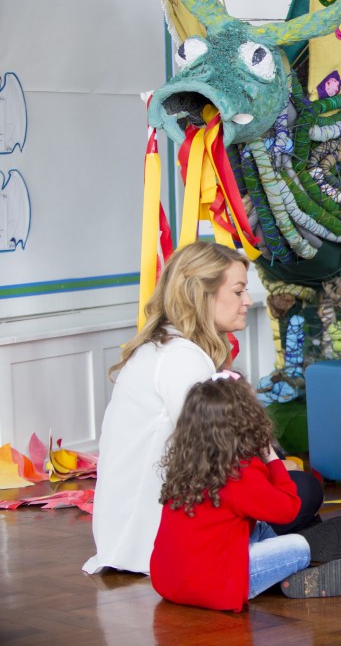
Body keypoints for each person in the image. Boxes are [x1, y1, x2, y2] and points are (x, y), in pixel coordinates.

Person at [83, 242, 323, 575]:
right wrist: (276, 473)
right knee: (304, 490)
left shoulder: (169, 348)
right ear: (202, 295)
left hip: (144, 528)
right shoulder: (181, 359)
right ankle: (275, 552)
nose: (248, 301)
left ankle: (288, 543)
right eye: (239, 291)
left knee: (294, 488)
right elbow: (224, 458)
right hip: (156, 539)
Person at [151, 374, 341, 611]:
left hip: (168, 581)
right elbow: (288, 509)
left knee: (258, 527)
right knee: (297, 544)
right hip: (214, 587)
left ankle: (281, 573)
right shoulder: (238, 472)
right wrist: (271, 458)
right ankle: (290, 570)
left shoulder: (187, 465)